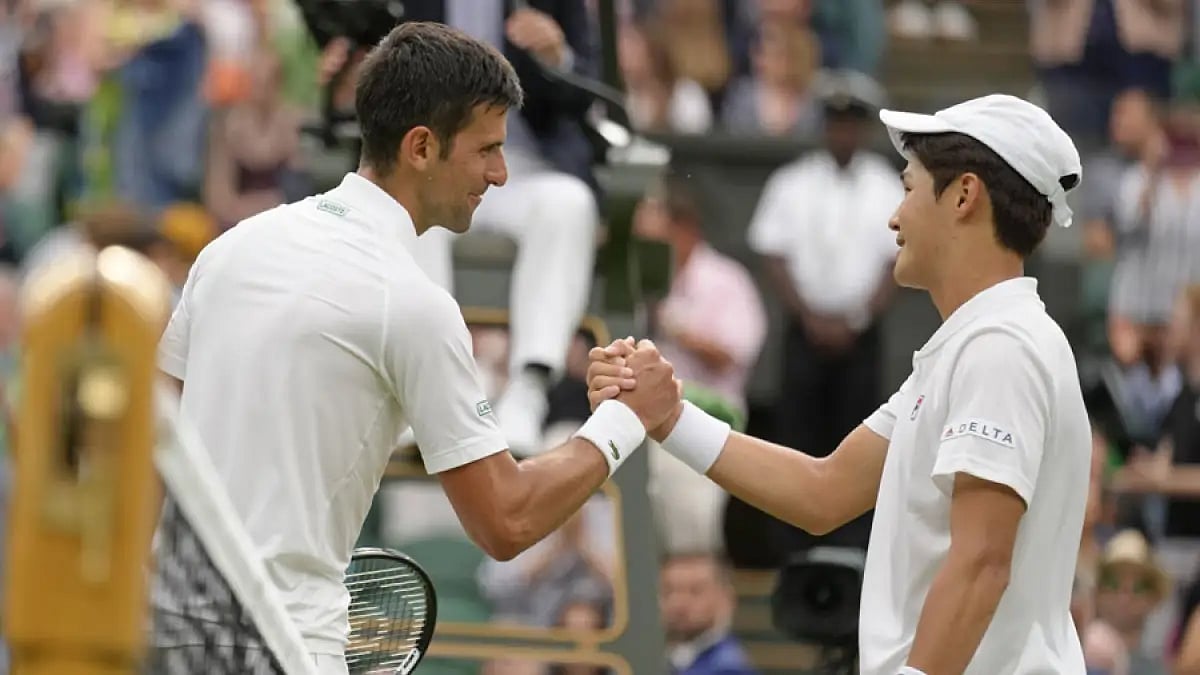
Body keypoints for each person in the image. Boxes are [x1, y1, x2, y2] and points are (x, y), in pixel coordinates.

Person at [155, 22, 680, 674]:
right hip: (279, 648)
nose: (500, 172)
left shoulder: (228, 251)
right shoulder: (413, 304)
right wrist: (625, 420)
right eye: (486, 149)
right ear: (422, 147)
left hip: (162, 636)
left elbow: (151, 450)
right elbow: (505, 520)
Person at [589, 94, 1093, 673]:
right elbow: (821, 492)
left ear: (964, 195)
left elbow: (981, 564)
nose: (894, 217)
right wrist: (669, 417)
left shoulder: (1000, 347)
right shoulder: (976, 346)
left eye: (907, 188)